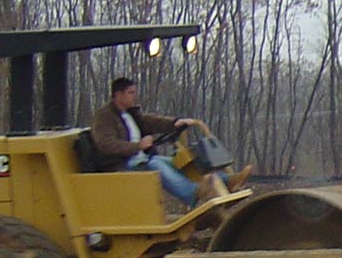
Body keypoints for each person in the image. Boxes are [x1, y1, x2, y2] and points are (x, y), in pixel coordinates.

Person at [90, 77, 249, 205]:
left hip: (142, 158)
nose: (134, 96)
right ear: (118, 95)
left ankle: (227, 180)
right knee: (156, 165)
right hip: (121, 165)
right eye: (131, 93)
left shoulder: (130, 114)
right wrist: (137, 146)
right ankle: (192, 193)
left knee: (182, 162)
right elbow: (106, 144)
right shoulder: (105, 116)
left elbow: (150, 121)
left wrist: (175, 123)